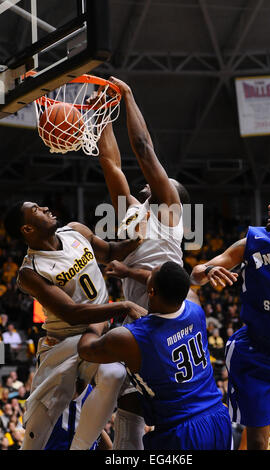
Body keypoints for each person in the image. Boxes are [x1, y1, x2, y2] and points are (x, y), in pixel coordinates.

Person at [71, 76, 194, 451]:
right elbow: (111, 163)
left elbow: (142, 148)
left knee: (159, 417)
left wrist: (126, 97)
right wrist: (105, 114)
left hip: (164, 319)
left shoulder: (170, 213)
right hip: (142, 319)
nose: (155, 182)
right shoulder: (131, 215)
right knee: (129, 417)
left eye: (163, 183)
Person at [3, 200, 146, 450]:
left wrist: (137, 239)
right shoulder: (31, 271)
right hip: (63, 343)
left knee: (114, 373)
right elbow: (72, 312)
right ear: (27, 229)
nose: (46, 208)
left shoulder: (74, 230)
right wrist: (123, 306)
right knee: (35, 435)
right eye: (36, 210)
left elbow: (111, 252)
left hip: (98, 330)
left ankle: (80, 448)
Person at [78, 261, 232, 450]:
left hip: (182, 432)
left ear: (151, 292)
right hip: (218, 417)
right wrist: (128, 272)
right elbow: (170, 283)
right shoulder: (194, 303)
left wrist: (102, 316)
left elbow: (85, 349)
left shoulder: (132, 337)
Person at [191, 186, 270, 450]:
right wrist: (208, 271)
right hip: (255, 348)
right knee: (257, 441)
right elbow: (196, 273)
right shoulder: (253, 240)